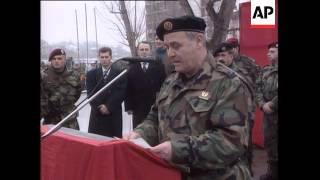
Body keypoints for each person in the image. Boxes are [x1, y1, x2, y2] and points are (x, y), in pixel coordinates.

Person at [123, 15, 252, 180]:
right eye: (167, 47)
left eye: (176, 46)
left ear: (199, 41)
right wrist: (139, 134)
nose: (170, 53)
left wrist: (178, 150)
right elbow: (154, 118)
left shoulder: (229, 83)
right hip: (170, 174)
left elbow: (231, 141)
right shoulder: (170, 81)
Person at [214, 42, 256, 176]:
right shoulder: (213, 75)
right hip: (222, 118)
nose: (220, 58)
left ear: (231, 56)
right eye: (218, 55)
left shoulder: (241, 73)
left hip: (243, 118)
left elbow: (250, 94)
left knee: (244, 151)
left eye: (223, 55)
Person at [86, 47, 127, 137]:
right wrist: (100, 107)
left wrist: (108, 106)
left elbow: (121, 92)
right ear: (99, 58)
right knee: (96, 143)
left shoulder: (120, 74)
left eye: (106, 57)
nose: (104, 59)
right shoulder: (91, 75)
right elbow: (90, 93)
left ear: (110, 57)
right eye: (102, 57)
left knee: (113, 144)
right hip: (97, 115)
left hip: (113, 114)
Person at [125, 41, 166, 128]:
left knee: (153, 129)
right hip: (137, 106)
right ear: (138, 51)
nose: (144, 52)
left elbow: (163, 85)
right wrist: (128, 106)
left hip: (153, 105)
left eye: (146, 49)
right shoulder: (131, 66)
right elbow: (128, 88)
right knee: (138, 130)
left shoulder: (158, 65)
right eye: (142, 49)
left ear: (150, 51)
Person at [41, 48, 81, 129]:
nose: (56, 61)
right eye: (54, 59)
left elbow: (77, 94)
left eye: (59, 58)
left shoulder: (75, 75)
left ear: (65, 59)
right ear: (51, 61)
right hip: (51, 122)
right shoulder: (44, 76)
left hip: (70, 121)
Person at [255, 42, 278, 180]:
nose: (268, 54)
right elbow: (257, 88)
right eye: (268, 52)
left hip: (274, 110)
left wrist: (273, 104)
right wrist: (263, 104)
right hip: (268, 115)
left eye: (272, 51)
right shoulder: (265, 70)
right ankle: (272, 172)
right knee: (270, 142)